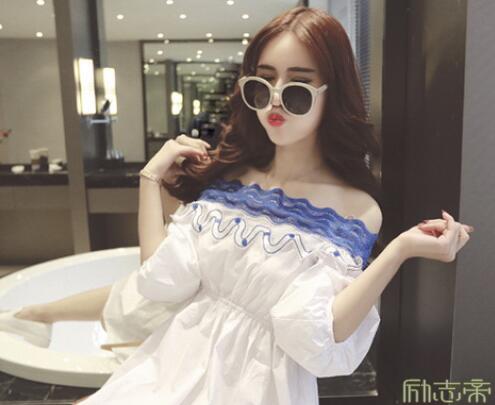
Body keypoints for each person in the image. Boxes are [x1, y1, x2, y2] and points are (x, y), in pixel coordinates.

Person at [0, 6, 473, 405]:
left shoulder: (354, 207)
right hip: (172, 365)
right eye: (260, 86)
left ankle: (37, 315)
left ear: (333, 96)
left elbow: (318, 335)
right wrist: (149, 179)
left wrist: (399, 251)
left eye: (296, 90)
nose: (273, 103)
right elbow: (159, 281)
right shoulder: (231, 179)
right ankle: (34, 316)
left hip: (258, 387)